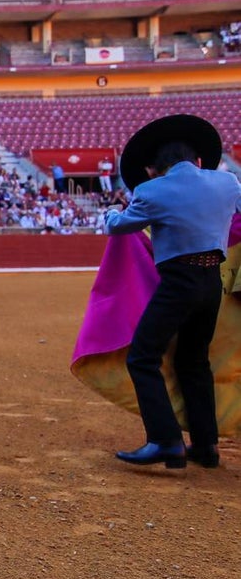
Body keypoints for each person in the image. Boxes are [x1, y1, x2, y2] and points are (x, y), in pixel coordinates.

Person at [104, 114, 241, 469]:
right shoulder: (228, 183)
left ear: (155, 169)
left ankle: (166, 440)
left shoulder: (152, 191)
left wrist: (109, 213)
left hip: (179, 283)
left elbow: (119, 227)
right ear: (197, 161)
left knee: (143, 357)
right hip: (213, 282)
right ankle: (206, 446)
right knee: (195, 361)